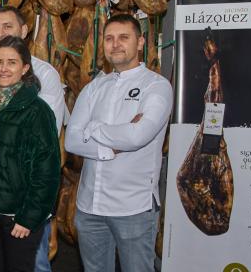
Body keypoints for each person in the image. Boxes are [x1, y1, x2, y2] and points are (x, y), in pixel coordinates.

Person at [65, 14, 173, 272]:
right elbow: (71, 141)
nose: (115, 44)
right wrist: (108, 147)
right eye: (109, 38)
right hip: (90, 206)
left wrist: (94, 127)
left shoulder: (156, 86)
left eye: (124, 37)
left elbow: (137, 137)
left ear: (140, 42)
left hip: (133, 207)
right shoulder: (94, 87)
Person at [0, 5, 64, 271]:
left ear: (25, 68)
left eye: (12, 63)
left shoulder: (36, 108)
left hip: (19, 215)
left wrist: (29, 217)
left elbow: (47, 168)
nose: (4, 69)